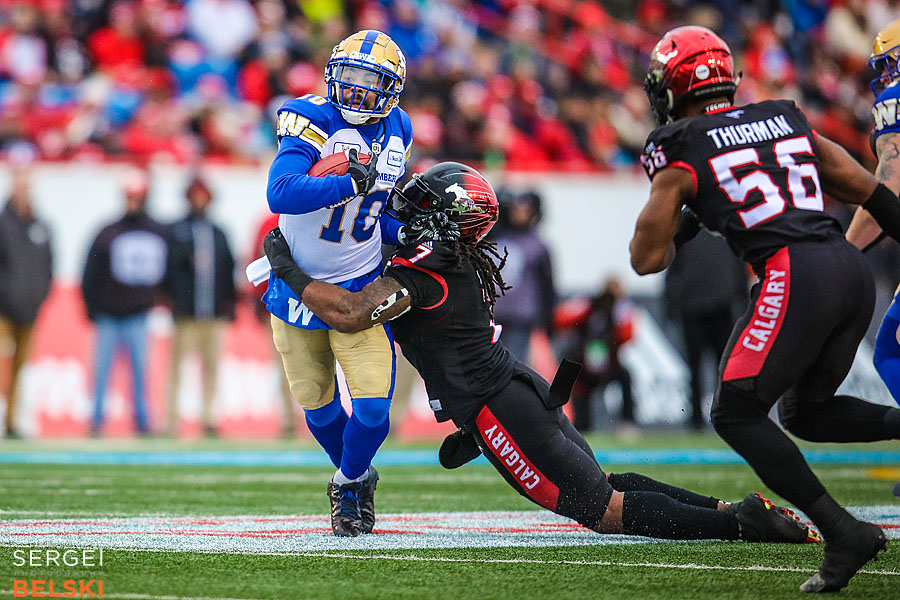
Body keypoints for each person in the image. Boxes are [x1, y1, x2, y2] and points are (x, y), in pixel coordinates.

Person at [263, 160, 819, 548]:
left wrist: (287, 269)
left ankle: (738, 524)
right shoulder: (451, 259)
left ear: (443, 220)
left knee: (601, 511)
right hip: (515, 388)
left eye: (424, 201)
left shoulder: (425, 273)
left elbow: (350, 314)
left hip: (498, 404)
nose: (409, 204)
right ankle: (728, 510)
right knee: (606, 485)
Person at [629, 26, 900, 593]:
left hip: (791, 270)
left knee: (733, 411)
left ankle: (843, 531)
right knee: (804, 412)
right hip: (849, 270)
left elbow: (646, 258)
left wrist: (687, 208)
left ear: (673, 86)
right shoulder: (784, 115)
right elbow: (865, 187)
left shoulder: (677, 145)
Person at [263, 30, 445, 537]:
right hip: (296, 292)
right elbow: (281, 192)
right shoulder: (313, 118)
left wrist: (406, 230)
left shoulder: (399, 129)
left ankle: (347, 481)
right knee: (319, 412)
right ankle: (358, 480)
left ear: (392, 90)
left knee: (371, 411)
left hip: (361, 287)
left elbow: (374, 211)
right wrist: (348, 180)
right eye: (350, 78)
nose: (358, 90)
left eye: (371, 81)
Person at [846, 19, 900, 499]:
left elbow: (889, 186)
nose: (884, 78)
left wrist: (843, 252)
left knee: (891, 348)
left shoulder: (894, 101)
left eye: (890, 65)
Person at [82, 168, 168, 436]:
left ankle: (143, 423)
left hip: (138, 316)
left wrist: (161, 300)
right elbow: (90, 271)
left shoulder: (158, 231)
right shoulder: (108, 231)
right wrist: (91, 307)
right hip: (108, 316)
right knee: (100, 374)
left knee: (141, 374)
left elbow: (167, 272)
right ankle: (96, 422)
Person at [164, 176, 236, 437]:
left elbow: (228, 270)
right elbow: (168, 268)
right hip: (186, 312)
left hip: (213, 313)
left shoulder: (218, 232)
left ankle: (209, 417)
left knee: (212, 368)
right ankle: (170, 420)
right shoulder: (176, 230)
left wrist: (229, 306)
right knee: (176, 368)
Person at [663, 230, 748, 430]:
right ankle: (698, 419)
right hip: (696, 308)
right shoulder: (717, 229)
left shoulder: (723, 230)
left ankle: (722, 414)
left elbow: (738, 270)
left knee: (723, 367)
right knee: (700, 367)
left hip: (717, 307)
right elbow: (672, 270)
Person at [0, 168, 53, 439]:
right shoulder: (2, 223)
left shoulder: (40, 225)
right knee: (1, 363)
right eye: (19, 186)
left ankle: (11, 421)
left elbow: (47, 267)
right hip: (2, 310)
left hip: (29, 309)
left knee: (21, 367)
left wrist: (39, 296)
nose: (23, 192)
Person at [489, 190, 555, 366]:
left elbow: (547, 285)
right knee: (489, 363)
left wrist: (546, 319)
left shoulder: (537, 246)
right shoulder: (496, 238)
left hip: (521, 317)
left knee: (512, 363)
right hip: (493, 313)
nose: (519, 214)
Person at [563, 277, 636, 432]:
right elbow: (563, 319)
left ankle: (627, 423)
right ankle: (579, 426)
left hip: (609, 364)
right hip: (586, 365)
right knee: (578, 385)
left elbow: (627, 335)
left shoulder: (620, 311)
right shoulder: (589, 307)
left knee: (625, 377)